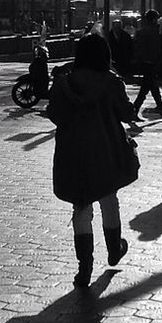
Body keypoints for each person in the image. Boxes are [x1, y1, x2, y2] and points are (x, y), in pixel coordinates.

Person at [47, 33, 138, 290]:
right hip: (106, 149)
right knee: (109, 199)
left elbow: (54, 114)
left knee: (81, 206)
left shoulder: (64, 83)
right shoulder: (110, 82)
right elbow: (126, 112)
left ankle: (84, 267)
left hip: (72, 151)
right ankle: (114, 248)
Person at [132, 9, 162, 117]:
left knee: (149, 86)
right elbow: (156, 48)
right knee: (149, 86)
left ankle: (136, 109)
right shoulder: (154, 32)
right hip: (151, 62)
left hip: (145, 62)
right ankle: (161, 109)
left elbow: (138, 48)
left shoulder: (142, 32)